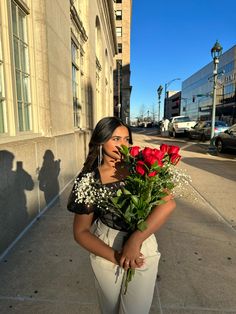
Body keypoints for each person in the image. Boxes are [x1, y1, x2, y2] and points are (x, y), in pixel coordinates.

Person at [67, 116, 176, 314]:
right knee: (110, 309)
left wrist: (135, 240)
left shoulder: (141, 166)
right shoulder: (89, 179)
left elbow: (168, 204)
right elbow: (81, 232)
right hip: (107, 249)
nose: (122, 144)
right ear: (101, 140)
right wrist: (117, 256)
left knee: (137, 310)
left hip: (143, 246)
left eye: (126, 139)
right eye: (116, 139)